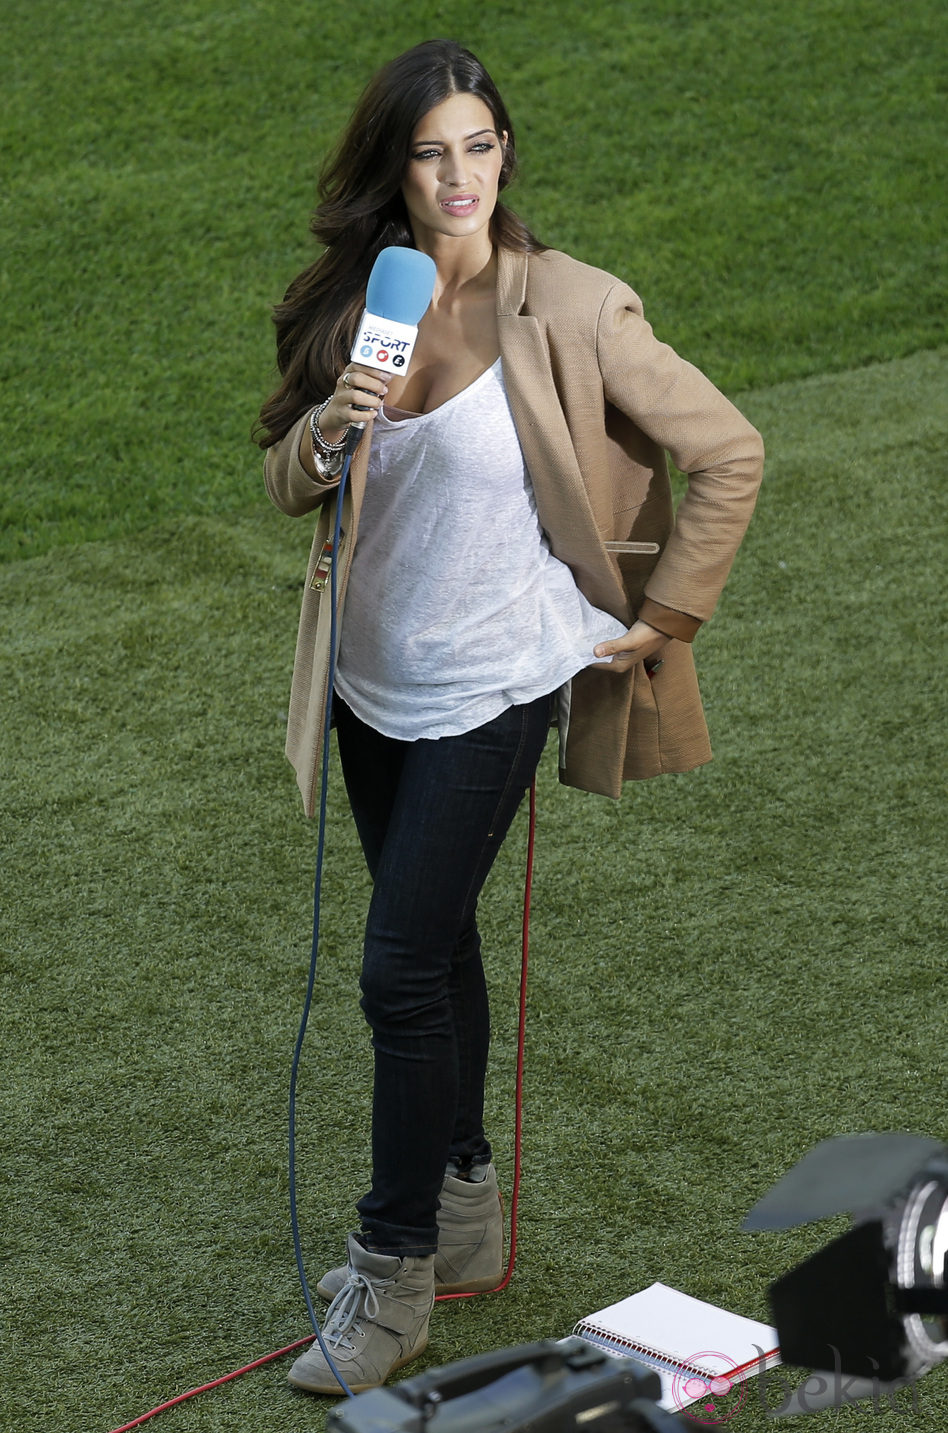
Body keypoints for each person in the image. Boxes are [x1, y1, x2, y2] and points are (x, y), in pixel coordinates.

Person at [256, 39, 764, 1396]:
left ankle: (395, 1268)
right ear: (395, 168)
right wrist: (329, 425)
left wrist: (670, 617)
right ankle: (467, 1188)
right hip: (373, 682)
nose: (460, 174)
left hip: (499, 680)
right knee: (435, 948)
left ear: (505, 157)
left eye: (480, 147)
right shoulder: (366, 302)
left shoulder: (576, 309)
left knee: (395, 969)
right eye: (432, 151)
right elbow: (284, 475)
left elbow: (728, 449)